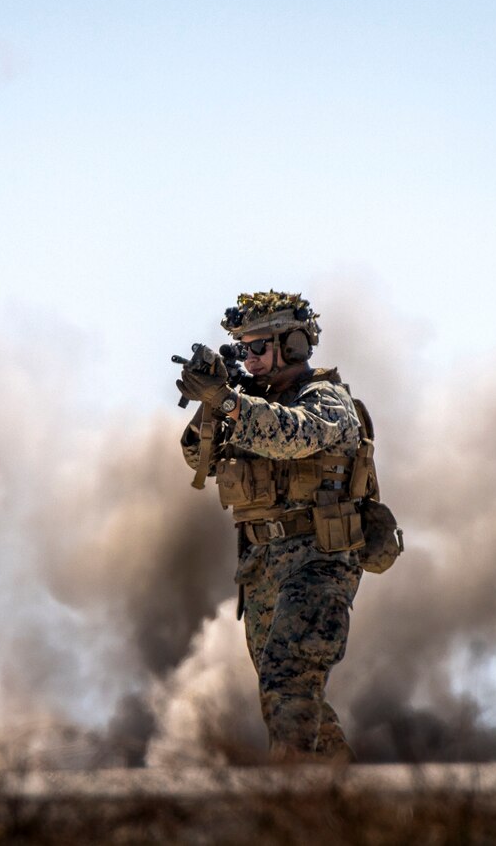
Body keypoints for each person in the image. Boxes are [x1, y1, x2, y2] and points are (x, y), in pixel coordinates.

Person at [177, 291, 377, 763]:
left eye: (258, 348)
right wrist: (211, 402)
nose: (249, 359)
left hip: (319, 561)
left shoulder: (327, 400)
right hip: (263, 567)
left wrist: (227, 402)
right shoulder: (249, 402)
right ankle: (341, 797)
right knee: (283, 688)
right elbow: (194, 458)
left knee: (290, 675)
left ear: (294, 345)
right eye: (243, 349)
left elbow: (293, 436)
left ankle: (290, 799)